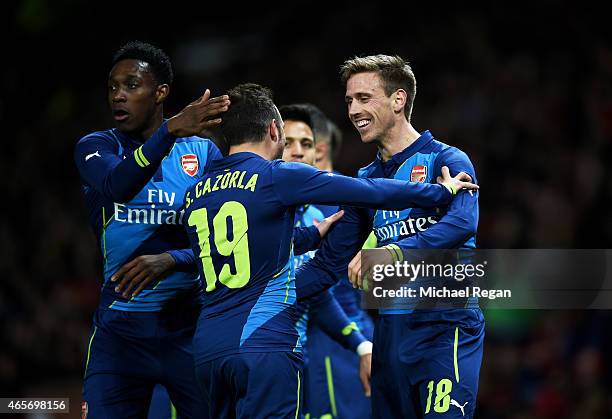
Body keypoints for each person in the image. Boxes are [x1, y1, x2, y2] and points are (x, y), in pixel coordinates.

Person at [181, 83, 477, 418]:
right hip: (264, 342)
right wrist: (438, 193)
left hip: (207, 349)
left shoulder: (196, 192)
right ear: (273, 129)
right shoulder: (275, 176)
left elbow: (235, 246)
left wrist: (308, 236)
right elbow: (369, 189)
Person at [297, 54, 483, 419]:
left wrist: (395, 252)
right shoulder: (365, 180)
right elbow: (328, 264)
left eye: (364, 98)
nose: (352, 109)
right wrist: (267, 293)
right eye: (349, 100)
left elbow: (462, 223)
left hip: (444, 327)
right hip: (390, 335)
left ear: (399, 100)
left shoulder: (446, 159)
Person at [74, 40, 229, 418]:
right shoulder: (96, 147)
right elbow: (117, 185)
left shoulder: (205, 153)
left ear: (160, 92)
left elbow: (227, 242)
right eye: (113, 87)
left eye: (131, 85)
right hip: (119, 339)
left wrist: (173, 260)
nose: (118, 96)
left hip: (188, 330)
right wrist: (169, 131)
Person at [280, 103, 373, 419]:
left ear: (317, 150)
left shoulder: (331, 205)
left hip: (333, 340)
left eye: (304, 144)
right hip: (339, 333)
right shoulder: (293, 203)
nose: (296, 152)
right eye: (288, 142)